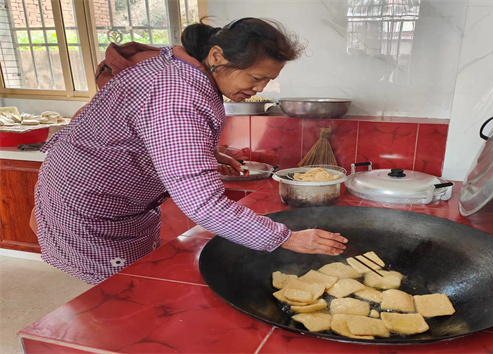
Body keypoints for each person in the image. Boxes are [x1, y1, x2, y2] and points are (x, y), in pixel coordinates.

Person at [32, 17, 347, 284]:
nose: (260, 88)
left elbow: (149, 131)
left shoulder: (182, 67)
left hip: (103, 192)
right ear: (216, 55)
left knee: (136, 279)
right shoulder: (179, 92)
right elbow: (204, 205)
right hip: (92, 204)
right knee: (120, 292)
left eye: (268, 80)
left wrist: (209, 152)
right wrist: (289, 238)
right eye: (256, 77)